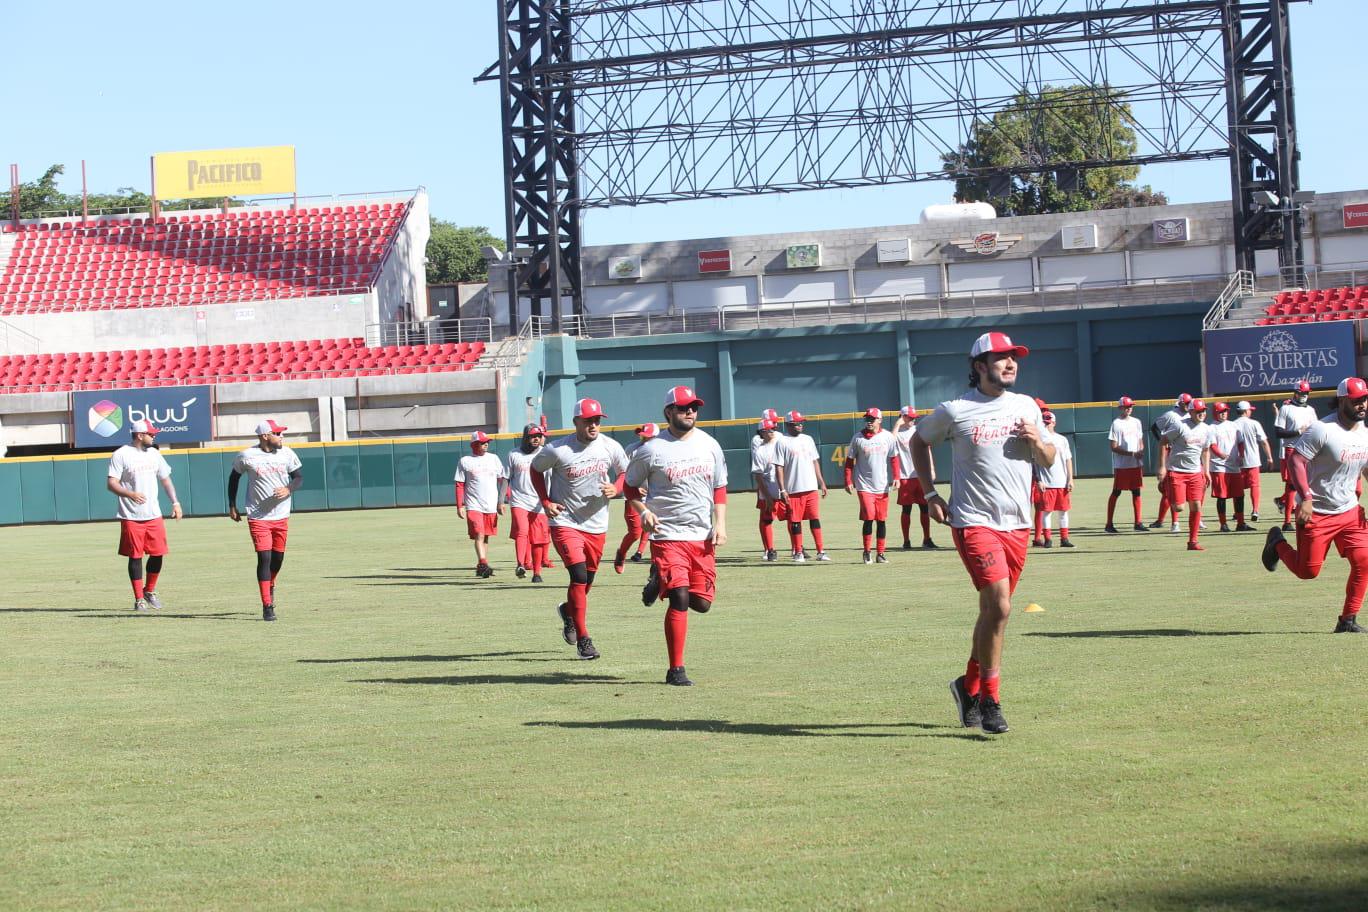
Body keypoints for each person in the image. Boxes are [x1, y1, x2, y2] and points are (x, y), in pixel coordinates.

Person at [910, 331, 1055, 735]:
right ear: (979, 367)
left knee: (993, 612)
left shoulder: (1026, 405)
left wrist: (1037, 443)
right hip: (973, 521)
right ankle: (991, 699)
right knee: (1001, 607)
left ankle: (967, 686)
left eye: (1014, 358)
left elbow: (1048, 456)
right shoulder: (955, 411)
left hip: (1018, 524)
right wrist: (930, 493)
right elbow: (917, 443)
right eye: (1001, 358)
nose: (1011, 364)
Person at [626, 385, 728, 686]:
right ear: (668, 412)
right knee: (680, 599)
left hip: (701, 535)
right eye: (683, 407)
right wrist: (643, 511)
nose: (690, 412)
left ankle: (657, 577)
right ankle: (676, 670)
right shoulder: (651, 449)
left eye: (693, 407)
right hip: (667, 535)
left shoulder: (710, 444)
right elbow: (630, 487)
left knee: (701, 603)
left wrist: (720, 523)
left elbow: (719, 487)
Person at [1261, 377, 1368, 634]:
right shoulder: (1322, 429)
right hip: (1317, 512)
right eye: (1356, 400)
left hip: (1350, 512)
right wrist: (1306, 498)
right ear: (1343, 400)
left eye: (1364, 399)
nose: (1362, 404)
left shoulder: (1365, 432)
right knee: (1307, 572)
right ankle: (1277, 542)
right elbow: (1296, 461)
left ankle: (1347, 620)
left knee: (1365, 562)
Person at [531, 398, 629, 660]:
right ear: (576, 422)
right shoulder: (558, 449)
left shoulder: (610, 446)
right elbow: (535, 469)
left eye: (597, 420)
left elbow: (624, 473)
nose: (594, 425)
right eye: (588, 421)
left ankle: (569, 612)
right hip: (565, 522)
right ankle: (584, 640)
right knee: (579, 575)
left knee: (588, 581)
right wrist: (546, 501)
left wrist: (617, 487)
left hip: (597, 524)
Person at [228, 420, 303, 622]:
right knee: (265, 558)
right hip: (258, 516)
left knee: (278, 559)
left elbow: (298, 478)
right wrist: (232, 505)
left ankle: (271, 583)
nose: (281, 436)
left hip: (281, 515)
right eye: (277, 433)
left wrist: (288, 489)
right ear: (265, 436)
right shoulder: (247, 456)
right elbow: (234, 478)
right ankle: (267, 605)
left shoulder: (287, 453)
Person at [106, 419, 182, 611]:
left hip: (153, 514)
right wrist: (129, 494)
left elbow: (165, 480)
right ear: (140, 435)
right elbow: (111, 483)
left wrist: (175, 502)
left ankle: (150, 590)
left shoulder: (155, 453)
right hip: (131, 515)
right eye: (151, 433)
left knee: (158, 554)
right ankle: (139, 598)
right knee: (135, 556)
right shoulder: (121, 454)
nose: (154, 435)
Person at [1162, 399, 1218, 551]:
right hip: (1177, 470)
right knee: (1179, 507)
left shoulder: (1207, 429)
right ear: (1191, 411)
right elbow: (1163, 441)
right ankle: (1167, 486)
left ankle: (1192, 542)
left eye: (1204, 411)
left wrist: (1206, 471)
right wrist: (1162, 467)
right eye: (1198, 411)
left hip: (1195, 472)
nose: (1202, 414)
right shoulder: (1180, 425)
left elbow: (1206, 450)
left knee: (1196, 506)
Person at [774, 410, 829, 562]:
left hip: (811, 487)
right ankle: (798, 552)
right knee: (795, 521)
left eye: (801, 423)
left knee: (815, 519)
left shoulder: (808, 439)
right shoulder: (782, 441)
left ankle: (821, 551)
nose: (800, 425)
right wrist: (782, 489)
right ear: (789, 424)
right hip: (793, 489)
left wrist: (821, 482)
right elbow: (778, 466)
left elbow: (814, 461)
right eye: (797, 423)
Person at [844, 407, 897, 563]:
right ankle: (867, 552)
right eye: (867, 418)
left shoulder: (888, 437)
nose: (869, 421)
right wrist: (848, 480)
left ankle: (880, 553)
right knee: (869, 517)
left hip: (882, 485)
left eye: (872, 419)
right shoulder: (858, 438)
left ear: (879, 420)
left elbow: (894, 458)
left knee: (881, 520)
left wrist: (897, 477)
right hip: (864, 486)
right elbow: (849, 462)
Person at [455, 430, 507, 578]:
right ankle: (483, 562)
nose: (485, 445)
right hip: (473, 505)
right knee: (479, 533)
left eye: (487, 442)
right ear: (474, 444)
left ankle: (482, 565)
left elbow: (501, 480)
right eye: (482, 443)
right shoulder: (465, 461)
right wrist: (460, 505)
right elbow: (459, 484)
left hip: (490, 505)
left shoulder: (494, 458)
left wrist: (504, 499)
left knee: (485, 537)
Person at [506, 424, 551, 583]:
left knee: (538, 539)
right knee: (522, 531)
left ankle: (537, 573)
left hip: (539, 502)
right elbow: (507, 477)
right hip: (519, 499)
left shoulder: (546, 453)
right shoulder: (513, 454)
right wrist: (500, 501)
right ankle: (520, 564)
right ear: (526, 437)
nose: (536, 439)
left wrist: (551, 500)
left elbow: (552, 479)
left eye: (538, 436)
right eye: (532, 436)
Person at [613, 423, 658, 572]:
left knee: (657, 532)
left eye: (648, 436)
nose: (644, 438)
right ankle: (621, 553)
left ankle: (655, 569)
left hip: (656, 497)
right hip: (634, 498)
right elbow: (624, 474)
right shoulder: (632, 449)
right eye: (642, 435)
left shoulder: (663, 450)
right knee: (635, 533)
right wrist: (635, 487)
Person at [890, 406, 937, 549]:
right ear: (902, 417)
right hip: (905, 476)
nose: (912, 420)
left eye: (913, 417)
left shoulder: (918, 430)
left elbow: (927, 449)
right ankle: (906, 541)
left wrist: (932, 469)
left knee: (924, 508)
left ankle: (927, 539)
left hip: (920, 475)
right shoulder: (897, 433)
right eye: (909, 417)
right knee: (906, 510)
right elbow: (890, 443)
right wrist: (897, 424)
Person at [1275, 381, 1318, 531]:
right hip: (1292, 449)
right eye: (1301, 393)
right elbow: (1278, 432)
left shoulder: (1311, 410)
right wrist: (1298, 432)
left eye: (1306, 393)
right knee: (1292, 486)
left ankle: (1309, 517)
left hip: (1309, 451)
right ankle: (1287, 521)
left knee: (1310, 485)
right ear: (1295, 393)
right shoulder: (1286, 409)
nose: (1304, 396)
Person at [1032, 410, 1075, 548]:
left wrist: (1070, 479)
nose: (1046, 426)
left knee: (1063, 512)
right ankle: (1048, 539)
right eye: (1044, 423)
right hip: (1047, 483)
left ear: (1054, 423)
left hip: (1062, 482)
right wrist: (1038, 480)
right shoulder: (1038, 440)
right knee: (1046, 512)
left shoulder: (1062, 439)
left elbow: (1068, 460)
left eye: (1049, 423)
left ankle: (1064, 539)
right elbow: (1035, 463)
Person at [1104, 396, 1147, 533]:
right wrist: (1132, 454)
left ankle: (1138, 523)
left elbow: (1140, 440)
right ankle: (1109, 524)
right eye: (1126, 406)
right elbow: (1113, 447)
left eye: (1131, 406)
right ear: (1120, 408)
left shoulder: (1137, 422)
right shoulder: (1116, 424)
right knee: (1116, 492)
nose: (1129, 409)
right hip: (1122, 465)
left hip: (1135, 464)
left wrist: (1140, 450)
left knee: (1137, 492)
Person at [1150, 393, 1193, 530]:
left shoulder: (1191, 416)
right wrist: (1165, 442)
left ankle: (1197, 519)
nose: (1187, 405)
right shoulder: (1171, 415)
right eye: (1185, 403)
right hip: (1173, 454)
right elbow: (1154, 428)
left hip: (1188, 454)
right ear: (1179, 403)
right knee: (1169, 489)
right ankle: (1173, 522)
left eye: (1189, 403)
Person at [1207, 403, 1248, 533]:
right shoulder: (1212, 427)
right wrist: (1220, 454)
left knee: (1239, 495)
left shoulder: (1233, 425)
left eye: (1225, 411)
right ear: (1215, 413)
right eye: (1220, 411)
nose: (1223, 413)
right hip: (1219, 466)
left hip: (1234, 466)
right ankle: (1223, 524)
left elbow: (1241, 442)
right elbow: (1212, 445)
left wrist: (1241, 454)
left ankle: (1241, 523)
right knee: (1222, 496)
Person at [1232, 400, 1273, 524]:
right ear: (1245, 411)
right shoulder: (1254, 423)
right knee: (1254, 486)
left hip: (1237, 461)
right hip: (1253, 460)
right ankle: (1255, 510)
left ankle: (1237, 513)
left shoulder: (1232, 424)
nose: (1251, 412)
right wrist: (1269, 457)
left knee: (1238, 490)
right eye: (1250, 410)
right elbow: (1264, 442)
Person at [750, 418, 784, 561]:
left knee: (793, 519)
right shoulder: (760, 450)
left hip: (784, 490)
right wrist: (766, 495)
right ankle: (770, 550)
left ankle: (797, 549)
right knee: (767, 520)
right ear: (762, 432)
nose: (773, 431)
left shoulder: (781, 444)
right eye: (770, 430)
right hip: (768, 490)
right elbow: (758, 476)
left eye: (773, 429)